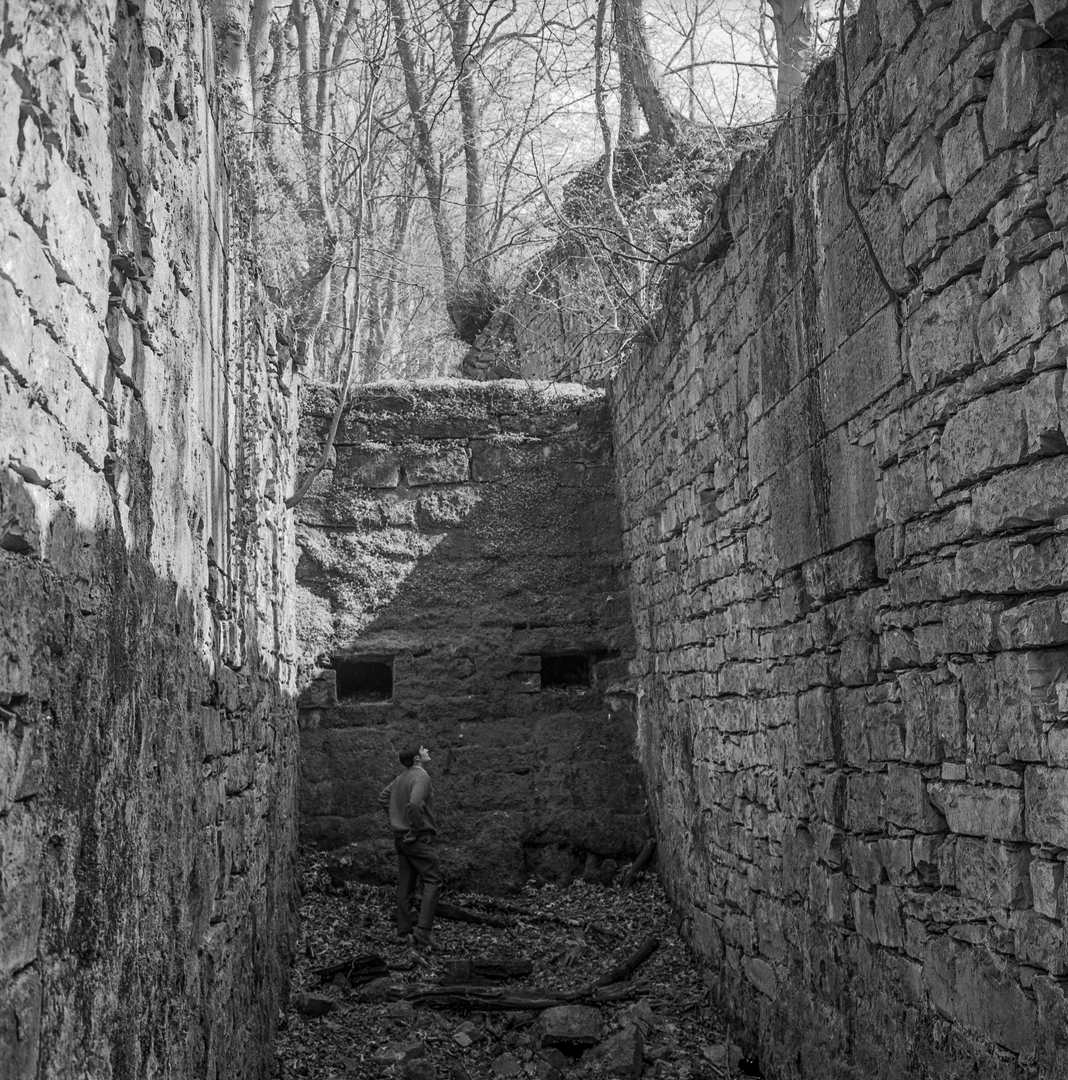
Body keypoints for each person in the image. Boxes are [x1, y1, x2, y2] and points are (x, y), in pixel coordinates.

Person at [378, 744, 441, 948]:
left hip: (400, 838)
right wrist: (414, 829)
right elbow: (414, 805)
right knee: (433, 880)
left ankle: (403, 932)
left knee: (405, 884)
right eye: (424, 750)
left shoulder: (401, 778)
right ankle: (423, 932)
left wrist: (397, 820)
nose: (427, 751)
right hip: (417, 839)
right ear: (416, 759)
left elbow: (383, 798)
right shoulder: (421, 776)